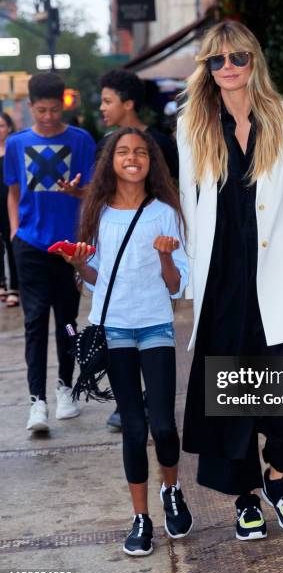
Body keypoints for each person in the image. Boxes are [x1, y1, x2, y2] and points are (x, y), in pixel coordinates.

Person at [177, 21, 283, 541]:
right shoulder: (191, 124)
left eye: (237, 58)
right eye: (217, 60)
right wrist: (189, 285)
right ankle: (245, 498)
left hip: (282, 277)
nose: (228, 68)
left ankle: (278, 478)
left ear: (254, 61)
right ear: (207, 67)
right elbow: (189, 209)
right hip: (222, 282)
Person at [59, 127, 192, 556]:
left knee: (164, 424)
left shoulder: (166, 212)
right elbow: (97, 280)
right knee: (133, 429)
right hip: (113, 329)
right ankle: (141, 518)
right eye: (123, 152)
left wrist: (166, 255)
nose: (132, 158)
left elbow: (175, 287)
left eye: (141, 152)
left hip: (155, 326)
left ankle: (170, 490)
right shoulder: (97, 212)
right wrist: (80, 265)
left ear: (152, 161)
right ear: (110, 161)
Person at [4, 72, 96, 432]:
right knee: (35, 321)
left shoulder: (81, 140)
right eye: (41, 110)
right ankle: (36, 401)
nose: (48, 117)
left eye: (55, 110)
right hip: (29, 243)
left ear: (64, 104)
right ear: (30, 108)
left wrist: (77, 194)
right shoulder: (16, 143)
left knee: (69, 323)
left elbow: (92, 192)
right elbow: (12, 191)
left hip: (69, 247)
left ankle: (65, 388)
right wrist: (15, 232)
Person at [98, 69, 180, 431]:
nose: (101, 108)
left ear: (128, 104)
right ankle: (130, 402)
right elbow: (102, 194)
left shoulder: (162, 143)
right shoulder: (106, 146)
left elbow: (176, 187)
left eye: (107, 101)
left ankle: (152, 399)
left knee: (157, 320)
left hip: (160, 240)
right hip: (122, 256)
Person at [0, 112, 19, 307]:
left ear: (9, 128)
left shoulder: (13, 151)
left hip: (9, 202)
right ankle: (2, 284)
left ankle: (14, 287)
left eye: (2, 126)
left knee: (11, 243)